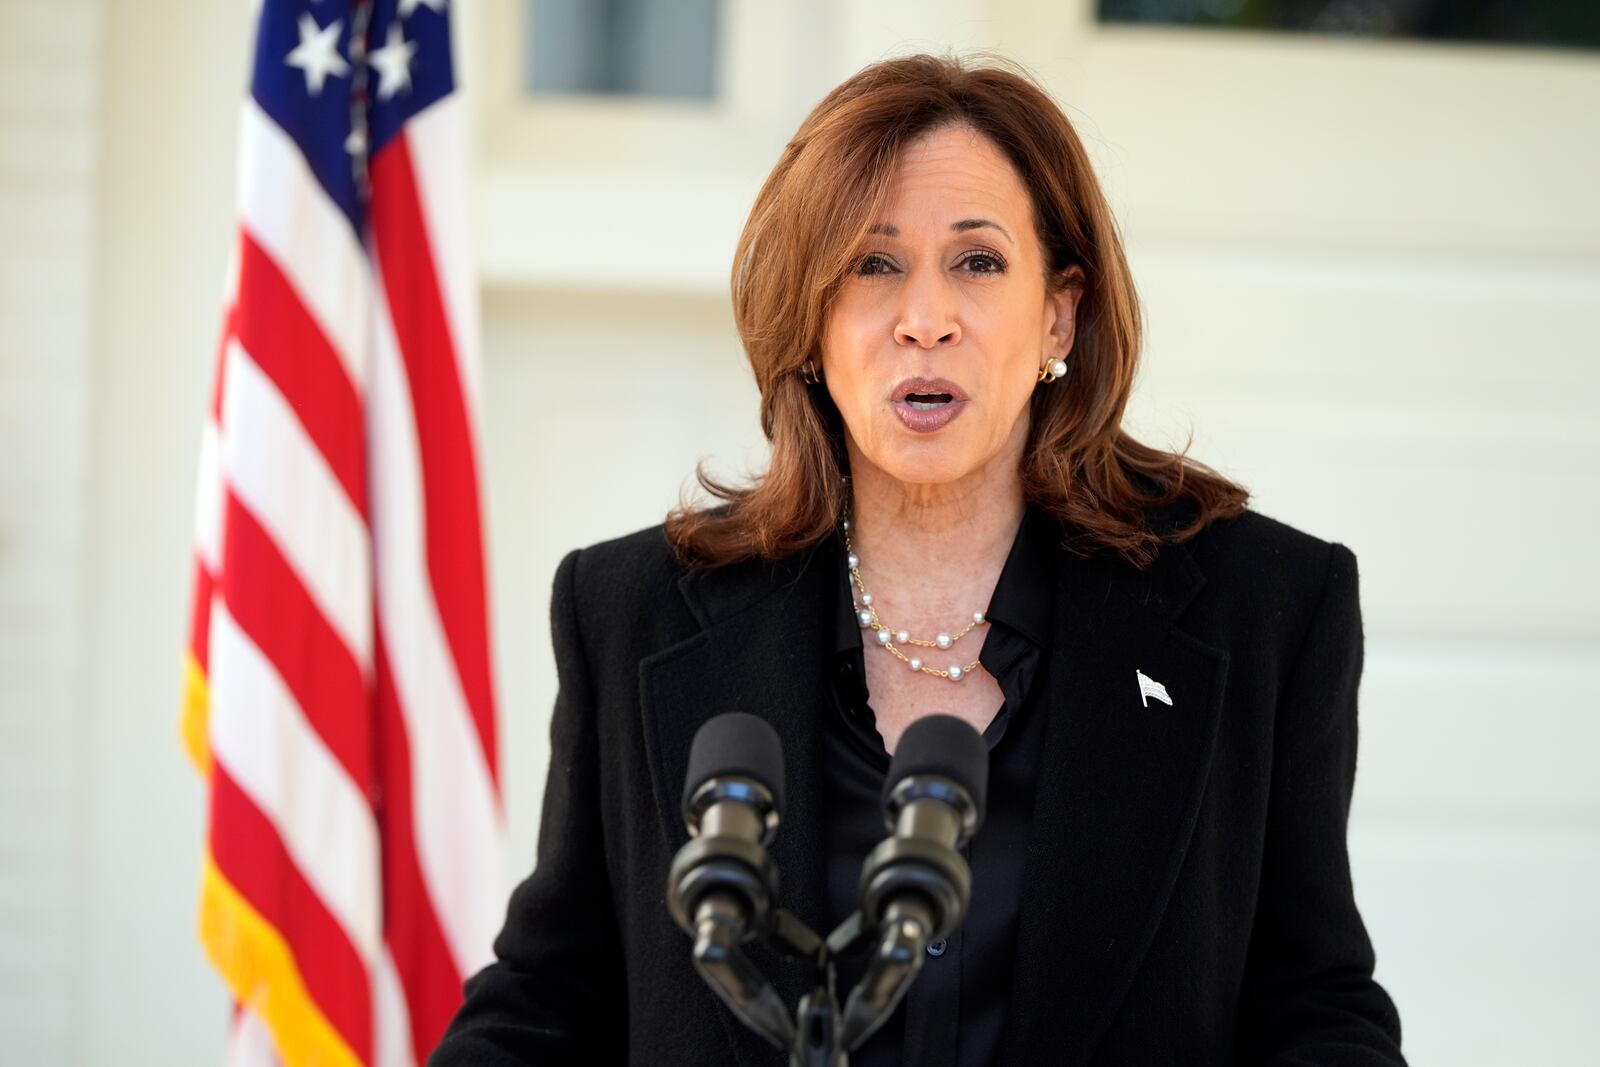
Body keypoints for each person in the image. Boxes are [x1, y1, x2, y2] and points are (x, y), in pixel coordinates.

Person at [431, 53, 1406, 1066]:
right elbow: (552, 993)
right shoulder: (632, 609)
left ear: (1058, 314)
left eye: (977, 263)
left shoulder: (1264, 609)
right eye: (872, 262)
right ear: (810, 321)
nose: (925, 317)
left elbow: (1309, 1004)